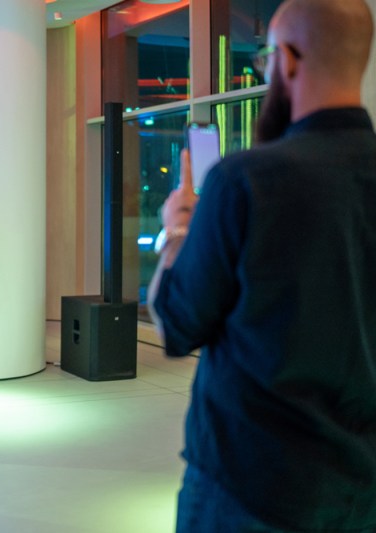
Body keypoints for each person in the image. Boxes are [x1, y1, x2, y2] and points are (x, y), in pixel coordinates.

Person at [147, 0, 376, 530]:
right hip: (360, 491)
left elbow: (178, 325)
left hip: (251, 486)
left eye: (267, 56)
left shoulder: (245, 180)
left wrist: (179, 230)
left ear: (289, 61)